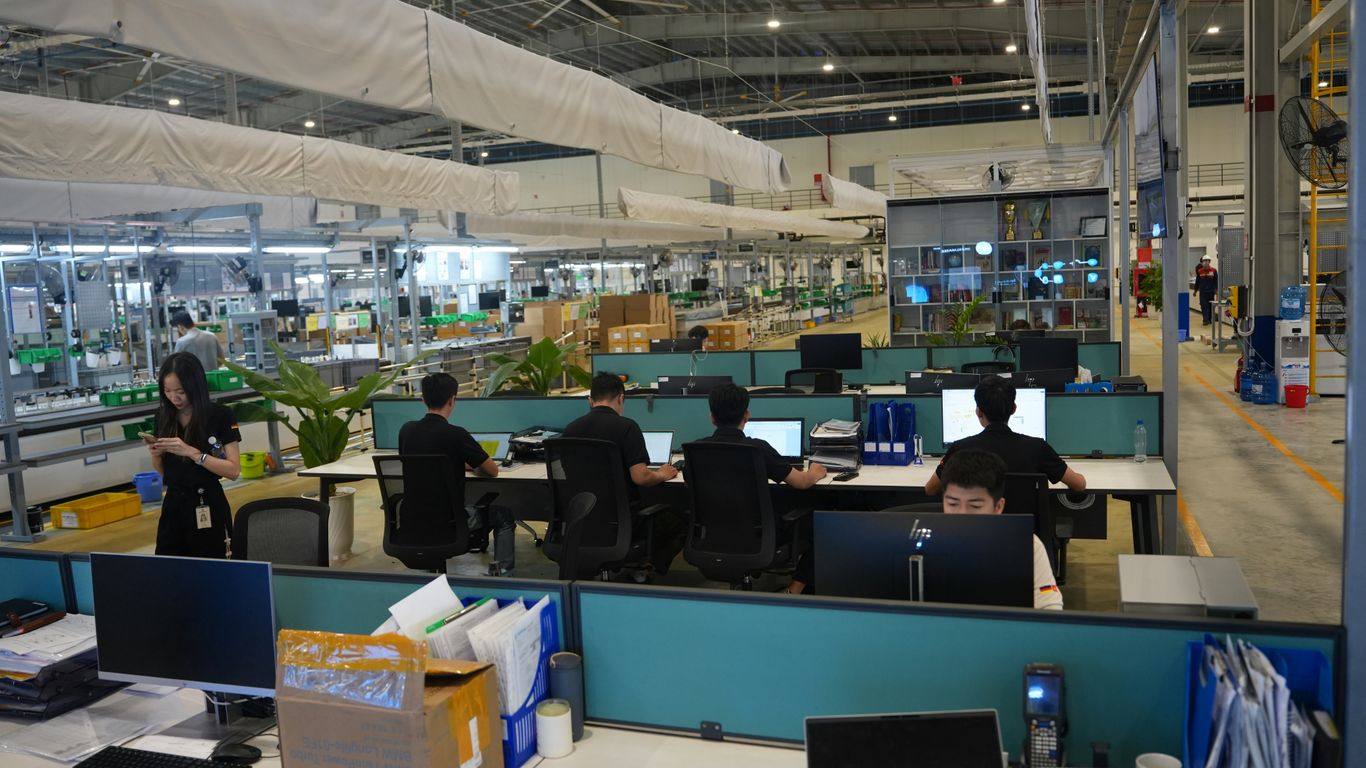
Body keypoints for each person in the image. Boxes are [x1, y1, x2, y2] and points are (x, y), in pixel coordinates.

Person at [697, 382, 827, 594]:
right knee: (823, 527)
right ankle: (793, 591)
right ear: (746, 415)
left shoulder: (697, 449)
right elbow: (801, 483)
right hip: (759, 536)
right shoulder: (757, 448)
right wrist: (815, 472)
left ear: (712, 417)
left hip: (714, 535)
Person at [562, 372, 683, 575]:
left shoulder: (570, 429)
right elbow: (641, 477)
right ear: (621, 398)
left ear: (590, 400)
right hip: (622, 522)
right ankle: (648, 566)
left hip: (582, 519)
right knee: (679, 522)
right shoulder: (627, 427)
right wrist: (662, 474)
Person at [398, 372, 515, 576]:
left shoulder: (406, 431)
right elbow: (492, 470)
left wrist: (456, 464)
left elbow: (419, 463)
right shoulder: (456, 434)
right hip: (449, 521)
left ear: (423, 399)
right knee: (504, 516)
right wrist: (469, 465)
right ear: (453, 400)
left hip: (412, 520)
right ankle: (503, 574)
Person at [940, 448, 1062, 610]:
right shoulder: (924, 542)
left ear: (998, 506)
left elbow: (1049, 607)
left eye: (975, 505)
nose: (962, 514)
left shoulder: (1026, 546)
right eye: (952, 504)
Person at [145, 352, 241, 558]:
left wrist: (193, 453)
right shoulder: (163, 417)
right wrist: (156, 455)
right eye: (167, 391)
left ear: (195, 386)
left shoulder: (220, 415)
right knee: (170, 567)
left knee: (212, 566)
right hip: (173, 505)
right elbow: (166, 473)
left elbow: (233, 470)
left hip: (207, 501)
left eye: (180, 391)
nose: (174, 398)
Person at [924, 376, 1086, 496]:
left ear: (978, 411)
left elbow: (930, 489)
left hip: (976, 536)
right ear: (1014, 408)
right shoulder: (1037, 447)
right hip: (1022, 535)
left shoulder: (960, 449)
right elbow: (1079, 485)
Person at [1194, 256, 1219, 326]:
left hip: (1211, 292)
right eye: (1204, 261)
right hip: (1202, 292)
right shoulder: (1200, 271)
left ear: (1209, 261)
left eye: (1207, 261)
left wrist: (1217, 291)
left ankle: (1210, 319)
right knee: (1203, 305)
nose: (1205, 262)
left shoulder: (1214, 270)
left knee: (1210, 306)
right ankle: (1205, 320)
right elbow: (1197, 282)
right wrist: (1195, 291)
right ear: (1202, 262)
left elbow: (1216, 281)